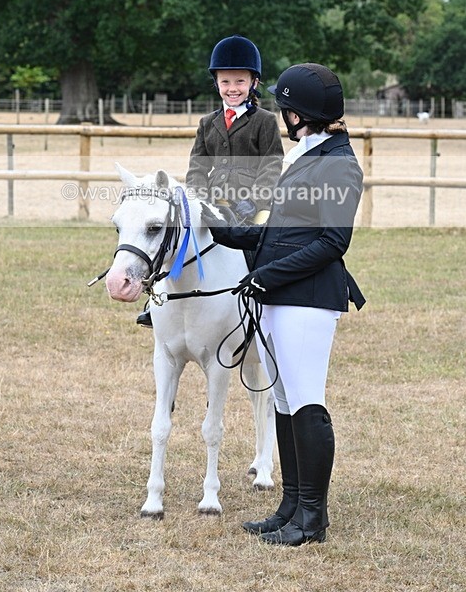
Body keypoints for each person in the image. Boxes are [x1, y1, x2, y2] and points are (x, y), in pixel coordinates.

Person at [201, 62, 366, 546]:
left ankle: (312, 519)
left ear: (300, 113)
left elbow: (333, 241)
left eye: (285, 107)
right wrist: (217, 228)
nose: (280, 114)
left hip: (308, 300)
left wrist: (264, 276)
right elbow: (281, 231)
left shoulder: (338, 163)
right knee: (284, 401)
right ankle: (290, 507)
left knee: (307, 403)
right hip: (281, 296)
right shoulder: (310, 155)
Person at [136, 34, 284, 327]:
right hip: (213, 201)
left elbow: (272, 165)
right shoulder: (207, 123)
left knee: (261, 241)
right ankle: (156, 304)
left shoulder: (265, 121)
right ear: (216, 83)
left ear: (253, 83)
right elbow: (197, 167)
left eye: (240, 81)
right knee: (177, 240)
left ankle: (264, 301)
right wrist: (196, 199)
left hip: (252, 203)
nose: (232, 89)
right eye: (226, 82)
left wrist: (254, 201)